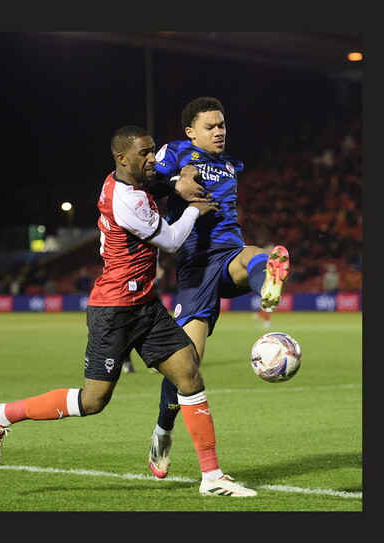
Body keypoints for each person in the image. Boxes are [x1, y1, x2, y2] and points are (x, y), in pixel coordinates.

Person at [0, 125, 256, 497]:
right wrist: (193, 209)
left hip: (146, 306)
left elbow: (161, 182)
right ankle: (1, 414)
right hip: (114, 310)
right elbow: (172, 241)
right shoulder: (126, 200)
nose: (153, 158)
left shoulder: (133, 182)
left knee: (189, 374)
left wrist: (181, 179)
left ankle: (212, 476)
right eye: (145, 153)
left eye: (153, 150)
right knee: (93, 401)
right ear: (122, 158)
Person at [143, 96, 291, 479]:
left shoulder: (231, 164)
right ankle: (162, 431)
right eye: (210, 126)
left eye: (222, 124)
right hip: (195, 265)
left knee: (255, 254)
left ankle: (266, 286)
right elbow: (147, 181)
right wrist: (176, 182)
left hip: (227, 254)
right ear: (190, 131)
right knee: (186, 365)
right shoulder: (176, 152)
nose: (219, 131)